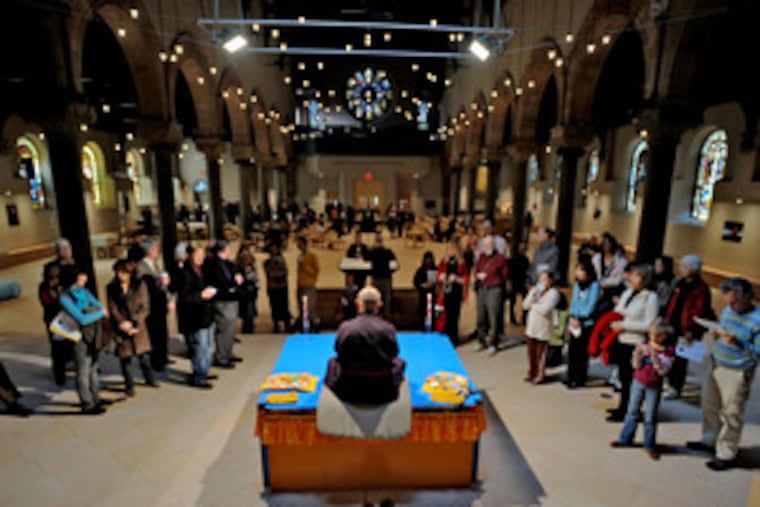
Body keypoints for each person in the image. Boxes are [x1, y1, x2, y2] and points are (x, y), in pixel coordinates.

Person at [687, 277, 760, 471]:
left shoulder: (758, 319)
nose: (730, 305)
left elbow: (758, 351)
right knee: (709, 405)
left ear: (747, 297)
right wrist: (716, 334)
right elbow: (724, 328)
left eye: (734, 301)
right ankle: (709, 439)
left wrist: (738, 343)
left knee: (731, 413)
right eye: (727, 301)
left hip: (738, 371)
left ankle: (726, 453)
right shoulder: (728, 311)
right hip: (717, 364)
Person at [324, 286, 406, 404]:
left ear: (357, 304)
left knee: (333, 362)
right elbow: (393, 353)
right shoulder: (388, 328)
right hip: (382, 388)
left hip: (350, 388)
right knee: (399, 362)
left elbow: (339, 350)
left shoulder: (346, 327)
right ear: (379, 305)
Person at [610, 318, 676, 460]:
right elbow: (635, 365)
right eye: (653, 335)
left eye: (659, 336)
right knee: (632, 411)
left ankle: (650, 445)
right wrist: (638, 355)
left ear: (666, 336)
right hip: (638, 381)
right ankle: (625, 438)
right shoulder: (644, 344)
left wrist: (654, 357)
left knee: (650, 416)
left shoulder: (668, 352)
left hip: (654, 385)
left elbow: (663, 371)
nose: (655, 338)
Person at [606, 263, 659, 422]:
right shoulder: (628, 292)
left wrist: (624, 325)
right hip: (621, 339)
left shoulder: (650, 297)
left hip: (636, 342)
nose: (631, 278)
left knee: (632, 379)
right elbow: (619, 310)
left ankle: (630, 410)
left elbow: (650, 324)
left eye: (635, 275)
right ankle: (623, 406)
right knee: (623, 377)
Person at [663, 254, 712, 400]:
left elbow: (700, 310)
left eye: (685, 266)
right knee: (669, 354)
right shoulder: (679, 283)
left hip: (687, 328)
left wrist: (691, 330)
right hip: (672, 323)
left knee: (681, 359)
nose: (681, 269)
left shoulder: (701, 288)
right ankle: (668, 381)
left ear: (694, 269)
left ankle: (675, 387)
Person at [58, 269, 108, 414]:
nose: (83, 282)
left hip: (92, 334)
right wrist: (98, 313)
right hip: (77, 336)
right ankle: (87, 403)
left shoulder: (84, 291)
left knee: (93, 367)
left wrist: (95, 311)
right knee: (83, 370)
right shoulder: (65, 298)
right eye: (80, 280)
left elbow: (98, 305)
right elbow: (82, 319)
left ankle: (96, 397)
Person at [106, 259, 157, 397]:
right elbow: (113, 308)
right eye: (117, 272)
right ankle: (129, 385)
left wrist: (135, 322)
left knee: (144, 356)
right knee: (125, 359)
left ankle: (149, 378)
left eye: (123, 272)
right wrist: (122, 323)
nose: (119, 275)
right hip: (122, 326)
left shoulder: (140, 285)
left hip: (138, 325)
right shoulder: (111, 287)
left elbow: (145, 307)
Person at [176, 245, 216, 388]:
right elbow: (184, 298)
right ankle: (199, 376)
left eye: (202, 255)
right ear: (190, 256)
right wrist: (201, 295)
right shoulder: (185, 273)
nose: (201, 258)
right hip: (194, 317)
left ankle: (204, 370)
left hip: (206, 314)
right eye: (197, 255)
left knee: (208, 346)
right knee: (200, 347)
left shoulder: (202, 270)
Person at [203, 240, 244, 368]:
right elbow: (217, 281)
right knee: (223, 328)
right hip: (222, 299)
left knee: (231, 328)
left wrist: (237, 275)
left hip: (232, 298)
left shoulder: (228, 264)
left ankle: (228, 352)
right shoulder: (212, 264)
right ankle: (221, 357)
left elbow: (236, 269)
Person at [135, 239, 172, 372]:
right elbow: (142, 286)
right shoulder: (141, 266)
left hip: (160, 303)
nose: (158, 252)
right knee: (154, 333)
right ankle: (156, 361)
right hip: (151, 304)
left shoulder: (155, 265)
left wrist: (168, 297)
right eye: (156, 249)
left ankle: (163, 356)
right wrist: (158, 282)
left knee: (163, 332)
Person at [564, 258, 601, 388]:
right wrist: (572, 316)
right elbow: (574, 302)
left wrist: (580, 318)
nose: (578, 272)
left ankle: (580, 378)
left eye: (580, 270)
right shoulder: (577, 285)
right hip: (574, 321)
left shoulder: (594, 286)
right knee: (572, 350)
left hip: (586, 323)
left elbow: (591, 305)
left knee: (582, 352)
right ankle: (570, 375)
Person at [522, 266, 561, 384]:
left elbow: (545, 309)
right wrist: (532, 296)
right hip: (532, 326)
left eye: (545, 279)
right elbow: (525, 305)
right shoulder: (535, 291)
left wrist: (534, 306)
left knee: (541, 353)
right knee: (531, 352)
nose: (542, 282)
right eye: (540, 279)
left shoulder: (554, 293)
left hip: (543, 327)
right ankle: (532, 372)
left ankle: (540, 374)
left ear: (551, 280)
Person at [473, 236, 509, 355]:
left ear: (494, 245)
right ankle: (481, 340)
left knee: (493, 316)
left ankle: (493, 342)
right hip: (482, 288)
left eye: (489, 245)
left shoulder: (500, 258)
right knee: (481, 316)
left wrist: (493, 278)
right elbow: (476, 269)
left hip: (494, 289)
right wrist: (479, 275)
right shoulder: (482, 257)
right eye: (485, 245)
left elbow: (505, 276)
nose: (487, 247)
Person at [38, 263, 69, 386]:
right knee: (57, 349)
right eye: (52, 278)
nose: (54, 280)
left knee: (70, 345)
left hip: (66, 319)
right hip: (54, 321)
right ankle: (60, 376)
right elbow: (47, 303)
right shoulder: (43, 287)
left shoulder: (62, 285)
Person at [435, 240, 470, 346]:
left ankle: (453, 339)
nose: (451, 251)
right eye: (449, 249)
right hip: (445, 293)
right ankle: (444, 338)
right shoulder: (443, 262)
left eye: (453, 249)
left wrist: (456, 279)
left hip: (456, 293)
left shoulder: (462, 263)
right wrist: (441, 277)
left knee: (454, 317)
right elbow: (438, 274)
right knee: (444, 317)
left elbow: (466, 279)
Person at [591, 233, 628, 315]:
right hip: (596, 288)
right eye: (605, 244)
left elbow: (621, 278)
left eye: (608, 245)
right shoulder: (596, 258)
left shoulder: (621, 261)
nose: (606, 247)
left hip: (611, 290)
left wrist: (607, 283)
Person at [264, 243, 291, 333]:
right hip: (274, 287)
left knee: (283, 306)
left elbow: (284, 272)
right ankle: (277, 324)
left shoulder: (280, 260)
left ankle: (286, 324)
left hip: (280, 287)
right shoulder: (268, 262)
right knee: (275, 307)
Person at [369, 233, 398, 319]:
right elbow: (365, 258)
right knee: (374, 300)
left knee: (386, 300)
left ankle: (386, 318)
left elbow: (395, 263)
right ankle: (374, 317)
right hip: (376, 278)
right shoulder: (372, 251)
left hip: (385, 278)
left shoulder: (387, 251)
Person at [296, 235, 320, 331]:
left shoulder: (312, 256)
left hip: (309, 285)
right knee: (302, 308)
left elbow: (316, 271)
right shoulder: (300, 256)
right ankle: (304, 327)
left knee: (309, 308)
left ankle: (315, 326)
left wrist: (305, 266)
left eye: (300, 244)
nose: (298, 246)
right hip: (300, 285)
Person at [236, 245, 260, 334]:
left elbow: (255, 280)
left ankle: (249, 326)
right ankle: (246, 327)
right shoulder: (239, 269)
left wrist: (256, 287)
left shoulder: (252, 268)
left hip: (251, 293)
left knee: (250, 310)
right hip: (244, 292)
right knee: (246, 311)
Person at [412, 251, 437, 330]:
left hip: (433, 296)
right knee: (423, 315)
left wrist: (433, 284)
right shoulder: (420, 270)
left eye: (430, 260)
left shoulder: (435, 269)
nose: (428, 262)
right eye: (427, 260)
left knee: (433, 315)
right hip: (423, 296)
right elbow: (415, 282)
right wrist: (422, 285)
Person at [508, 241, 530, 326]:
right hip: (515, 281)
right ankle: (514, 318)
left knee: (523, 301)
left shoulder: (526, 260)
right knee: (513, 301)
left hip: (522, 282)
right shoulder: (514, 259)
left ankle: (523, 318)